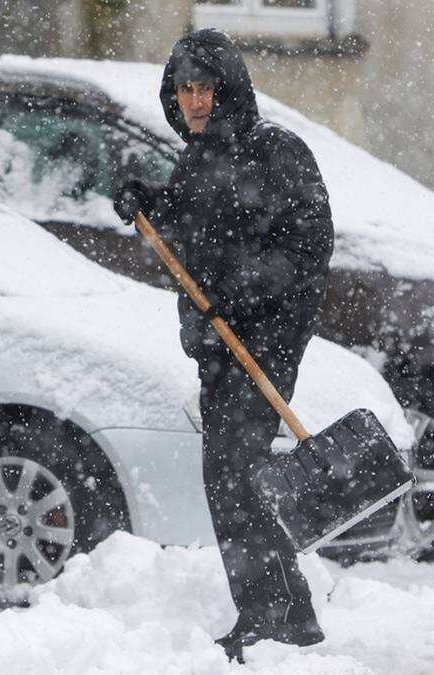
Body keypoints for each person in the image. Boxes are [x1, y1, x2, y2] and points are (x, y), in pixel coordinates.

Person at [112, 28, 335, 662]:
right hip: (217, 346)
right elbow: (184, 232)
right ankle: (281, 613)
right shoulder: (197, 161)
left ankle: (277, 617)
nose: (195, 101)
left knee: (235, 475)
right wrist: (145, 199)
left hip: (264, 342)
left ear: (228, 87)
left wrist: (239, 294)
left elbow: (308, 249)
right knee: (230, 478)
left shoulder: (277, 153)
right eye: (183, 89)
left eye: (204, 86)